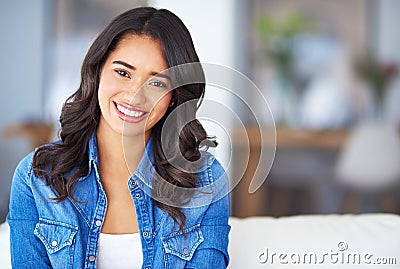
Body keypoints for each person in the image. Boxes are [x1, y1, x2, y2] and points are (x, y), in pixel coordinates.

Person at [7, 7, 230, 269]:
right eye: (123, 73)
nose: (136, 94)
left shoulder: (206, 181)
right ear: (98, 70)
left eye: (157, 83)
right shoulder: (36, 177)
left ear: (174, 97)